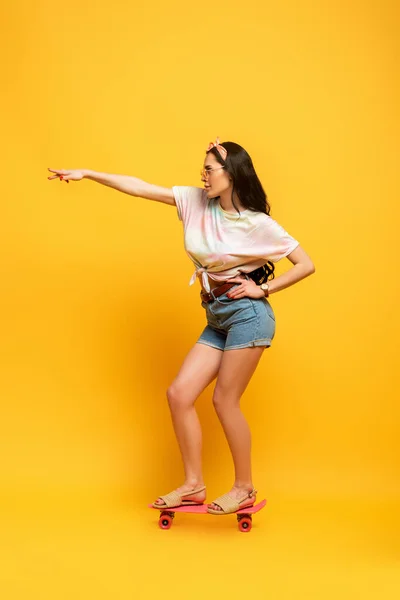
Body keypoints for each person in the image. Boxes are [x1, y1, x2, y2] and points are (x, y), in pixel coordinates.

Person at [47, 137, 315, 515]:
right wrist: (89, 174)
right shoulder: (195, 202)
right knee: (179, 394)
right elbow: (140, 187)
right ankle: (193, 485)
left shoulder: (258, 224)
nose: (202, 175)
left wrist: (263, 288)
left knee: (224, 400)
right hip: (217, 316)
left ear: (232, 174)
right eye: (202, 168)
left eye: (209, 169)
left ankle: (244, 487)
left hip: (248, 317)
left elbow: (306, 264)